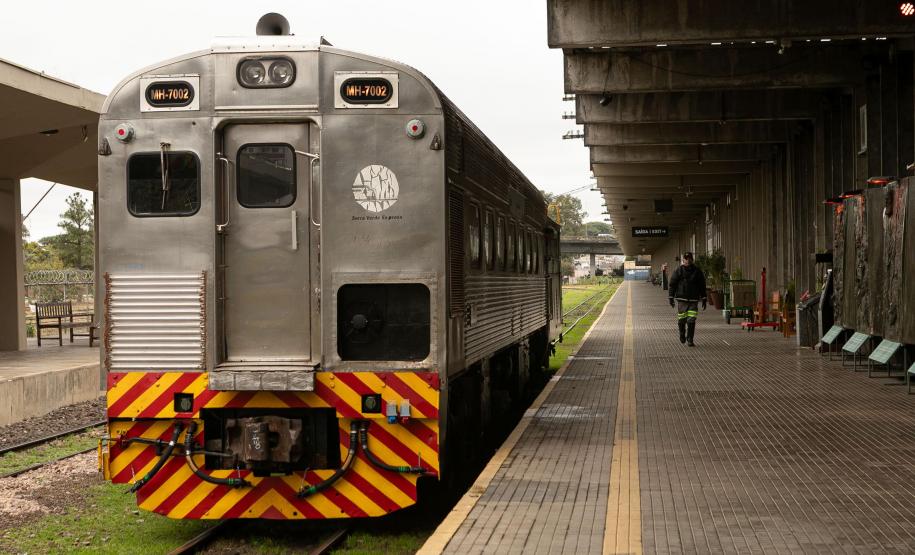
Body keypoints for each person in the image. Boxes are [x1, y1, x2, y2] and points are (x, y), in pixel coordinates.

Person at [668, 252, 707, 346]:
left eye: (689, 258)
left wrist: (704, 297)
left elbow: (702, 285)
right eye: (686, 258)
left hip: (693, 300)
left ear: (692, 260)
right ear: (683, 260)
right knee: (682, 319)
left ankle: (690, 339)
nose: (687, 260)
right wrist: (671, 297)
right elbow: (673, 284)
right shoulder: (679, 270)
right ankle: (682, 334)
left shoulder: (697, 271)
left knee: (691, 320)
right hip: (682, 300)